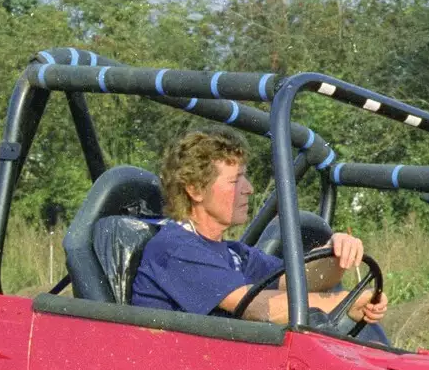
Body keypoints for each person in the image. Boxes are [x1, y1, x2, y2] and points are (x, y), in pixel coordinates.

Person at [131, 129, 389, 340]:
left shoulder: (235, 254)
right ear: (195, 190)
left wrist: (336, 254)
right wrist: (342, 302)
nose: (249, 189)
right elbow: (255, 307)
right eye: (235, 181)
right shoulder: (175, 248)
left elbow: (296, 281)